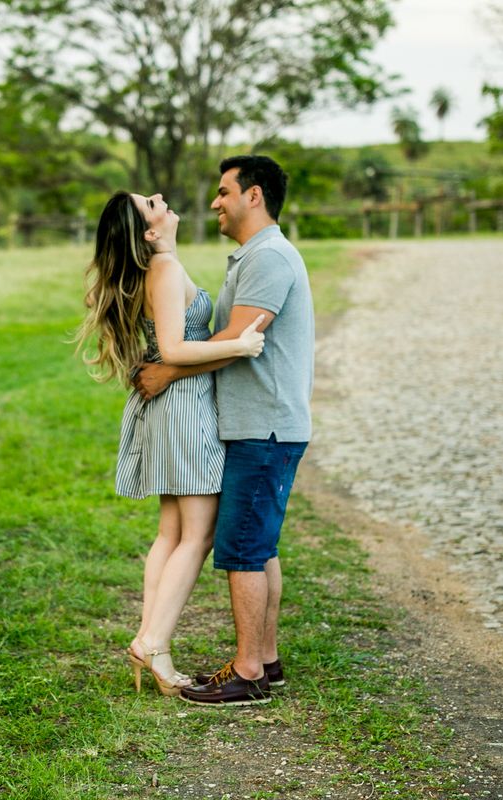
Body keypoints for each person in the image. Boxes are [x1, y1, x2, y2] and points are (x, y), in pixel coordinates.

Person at [134, 155, 314, 706]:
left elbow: (238, 338)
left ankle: (249, 672)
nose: (215, 202)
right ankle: (268, 659)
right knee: (260, 548)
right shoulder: (251, 258)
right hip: (254, 424)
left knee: (240, 548)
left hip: (265, 426)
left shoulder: (269, 259)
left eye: (223, 191)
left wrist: (169, 368)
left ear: (252, 196)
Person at [76, 190, 266, 697]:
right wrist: (241, 344)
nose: (162, 198)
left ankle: (155, 647)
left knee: (170, 532)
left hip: (167, 406)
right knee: (197, 536)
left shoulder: (156, 267)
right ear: (150, 232)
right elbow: (177, 348)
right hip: (183, 405)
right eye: (151, 203)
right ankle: (152, 640)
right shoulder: (160, 269)